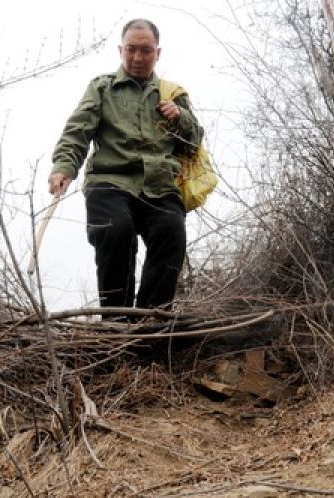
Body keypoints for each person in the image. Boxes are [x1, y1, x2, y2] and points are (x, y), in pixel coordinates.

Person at [49, 19, 203, 315]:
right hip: (110, 181)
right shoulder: (102, 88)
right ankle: (117, 324)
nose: (137, 58)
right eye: (131, 50)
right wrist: (64, 168)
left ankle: (149, 323)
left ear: (157, 53)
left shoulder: (173, 94)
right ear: (121, 50)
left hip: (159, 185)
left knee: (172, 231)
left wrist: (180, 117)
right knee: (116, 230)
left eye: (145, 51)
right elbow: (77, 132)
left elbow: (193, 145)